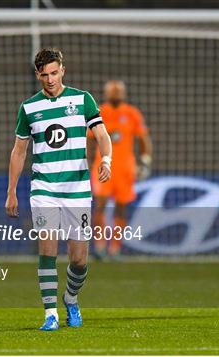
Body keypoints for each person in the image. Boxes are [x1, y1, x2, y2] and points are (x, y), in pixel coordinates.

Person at [5, 48, 112, 331]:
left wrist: (107, 160)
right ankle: (50, 314)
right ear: (38, 75)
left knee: (79, 259)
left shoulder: (82, 99)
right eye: (44, 74)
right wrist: (11, 190)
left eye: (54, 72)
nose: (50, 79)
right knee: (48, 249)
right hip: (44, 189)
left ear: (62, 70)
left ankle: (71, 298)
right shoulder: (29, 108)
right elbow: (18, 152)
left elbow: (101, 133)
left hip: (77, 189)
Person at [88, 80, 152, 260]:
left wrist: (145, 162)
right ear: (107, 94)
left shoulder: (132, 113)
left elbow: (143, 139)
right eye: (112, 92)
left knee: (121, 208)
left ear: (123, 94)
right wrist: (86, 161)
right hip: (103, 167)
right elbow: (89, 139)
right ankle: (99, 248)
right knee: (99, 205)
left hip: (125, 169)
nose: (115, 94)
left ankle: (115, 249)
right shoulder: (98, 112)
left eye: (118, 92)